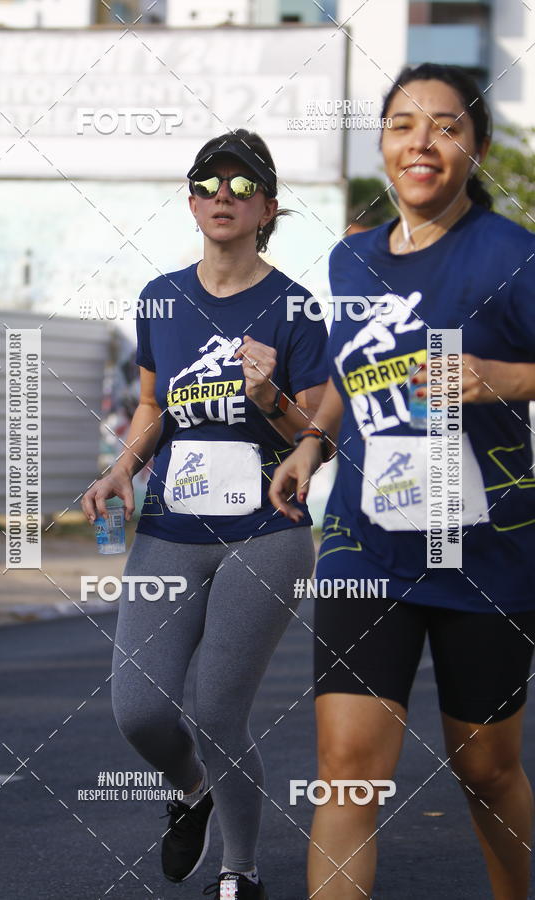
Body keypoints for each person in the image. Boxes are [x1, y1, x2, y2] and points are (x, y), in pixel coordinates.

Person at [269, 64, 535, 899]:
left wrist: (503, 376)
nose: (423, 141)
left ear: (476, 147)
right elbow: (354, 375)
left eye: (446, 125)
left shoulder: (512, 254)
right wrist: (313, 442)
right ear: (383, 145)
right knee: (347, 769)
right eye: (403, 124)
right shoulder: (350, 262)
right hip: (365, 540)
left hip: (488, 550)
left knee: (485, 769)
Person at [82, 128, 328, 898]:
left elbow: (317, 435)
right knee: (140, 711)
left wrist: (270, 399)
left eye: (242, 185)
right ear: (191, 201)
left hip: (266, 533)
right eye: (208, 184)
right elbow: (154, 403)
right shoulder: (161, 296)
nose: (224, 197)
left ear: (269, 207)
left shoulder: (294, 307)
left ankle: (239, 871)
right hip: (170, 527)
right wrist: (123, 466)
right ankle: (192, 788)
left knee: (218, 708)